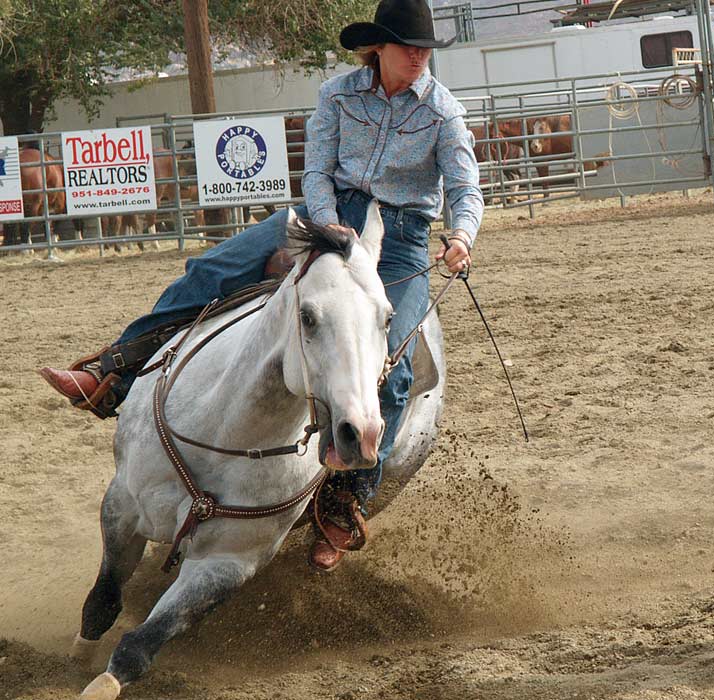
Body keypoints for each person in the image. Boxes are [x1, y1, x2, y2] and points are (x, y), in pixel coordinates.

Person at [38, 0, 483, 572]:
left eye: (424, 49)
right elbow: (317, 169)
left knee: (394, 368)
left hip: (400, 239)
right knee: (210, 272)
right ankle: (114, 371)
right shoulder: (338, 95)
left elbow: (465, 187)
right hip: (325, 216)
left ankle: (344, 499)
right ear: (378, 48)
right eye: (408, 46)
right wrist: (330, 230)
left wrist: (462, 236)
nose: (419, 57)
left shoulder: (443, 111)